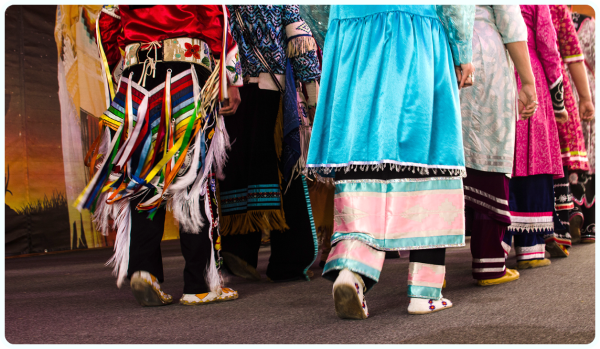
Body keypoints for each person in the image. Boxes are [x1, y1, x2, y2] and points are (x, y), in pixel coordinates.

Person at [306, 5, 475, 318]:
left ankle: (353, 273)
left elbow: (311, 6)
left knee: (363, 156)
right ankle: (425, 292)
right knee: (426, 155)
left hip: (352, 37)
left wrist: (335, 32)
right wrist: (462, 49)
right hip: (415, 32)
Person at [76, 5, 243, 306]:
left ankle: (144, 270)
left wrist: (120, 70)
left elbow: (106, 20)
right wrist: (228, 76)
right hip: (184, 72)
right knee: (191, 178)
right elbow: (216, 14)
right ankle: (199, 284)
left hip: (135, 80)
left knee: (142, 176)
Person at [218, 5, 321, 282]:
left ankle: (239, 252)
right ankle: (289, 259)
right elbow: (299, 39)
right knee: (283, 173)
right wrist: (312, 94)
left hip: (230, 91)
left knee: (235, 171)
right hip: (270, 89)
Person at [460, 6, 537, 286]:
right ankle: (489, 263)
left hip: (435, 52)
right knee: (487, 150)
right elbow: (510, 21)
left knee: (442, 162)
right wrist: (528, 81)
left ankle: (430, 273)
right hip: (483, 55)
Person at [502, 5, 566, 270]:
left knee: (505, 154)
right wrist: (559, 100)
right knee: (533, 153)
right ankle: (530, 248)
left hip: (497, 70)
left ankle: (496, 244)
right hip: (529, 73)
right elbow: (548, 44)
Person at [544, 5, 594, 257]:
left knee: (531, 158)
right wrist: (586, 98)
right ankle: (562, 226)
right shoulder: (554, 7)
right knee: (561, 157)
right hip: (555, 85)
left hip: (516, 80)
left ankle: (526, 238)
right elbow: (573, 54)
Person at [566, 8, 596, 244]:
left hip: (562, 91)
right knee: (590, 155)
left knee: (568, 154)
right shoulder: (588, 23)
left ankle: (568, 214)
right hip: (586, 91)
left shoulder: (548, 13)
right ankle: (591, 223)